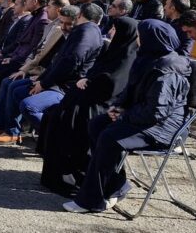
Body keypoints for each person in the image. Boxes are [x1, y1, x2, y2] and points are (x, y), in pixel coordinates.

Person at [64, 20, 190, 213]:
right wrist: (119, 108)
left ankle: (91, 201)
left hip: (163, 128)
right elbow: (132, 92)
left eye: (140, 35)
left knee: (109, 137)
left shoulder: (167, 68)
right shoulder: (147, 58)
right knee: (97, 124)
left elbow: (158, 110)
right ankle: (115, 185)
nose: (137, 38)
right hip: (143, 117)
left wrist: (124, 116)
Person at [39, 17, 139, 196]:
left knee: (71, 119)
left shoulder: (130, 56)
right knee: (57, 115)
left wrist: (89, 82)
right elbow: (96, 72)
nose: (110, 32)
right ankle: (60, 173)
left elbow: (113, 85)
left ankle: (74, 173)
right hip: (92, 99)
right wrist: (87, 80)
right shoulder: (113, 50)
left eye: (115, 29)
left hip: (107, 105)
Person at [0, 4, 76, 143]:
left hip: (53, 82)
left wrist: (41, 79)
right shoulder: (58, 31)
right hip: (39, 72)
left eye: (68, 24)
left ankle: (14, 131)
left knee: (15, 87)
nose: (64, 26)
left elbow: (61, 67)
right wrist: (24, 69)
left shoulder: (76, 39)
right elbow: (39, 54)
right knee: (7, 82)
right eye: (62, 22)